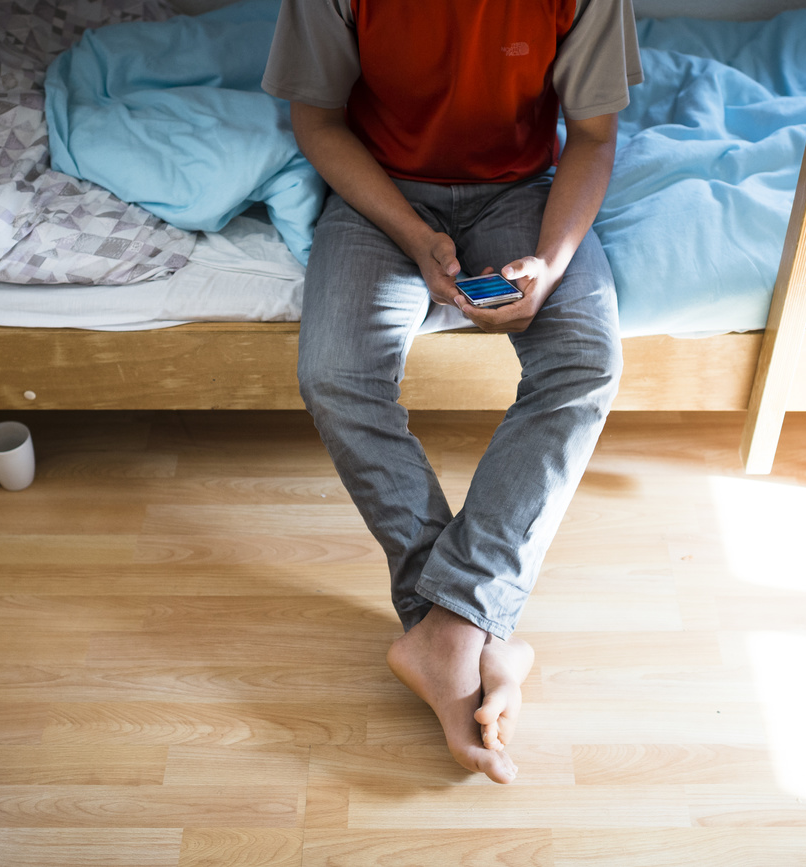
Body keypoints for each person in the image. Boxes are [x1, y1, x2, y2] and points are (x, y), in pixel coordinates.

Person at [262, 0, 642, 784]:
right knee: (336, 372)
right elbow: (319, 120)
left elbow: (595, 134)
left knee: (587, 357)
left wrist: (552, 261)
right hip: (382, 192)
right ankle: (476, 634)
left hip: (523, 192)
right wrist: (412, 233)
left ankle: (450, 629)